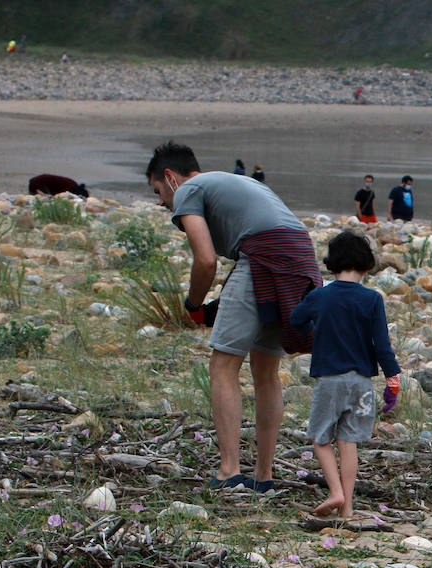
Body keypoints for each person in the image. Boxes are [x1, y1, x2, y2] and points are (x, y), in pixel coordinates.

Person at [145, 140, 321, 492]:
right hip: (301, 257)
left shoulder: (189, 190)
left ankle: (229, 471)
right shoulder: (241, 182)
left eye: (158, 191)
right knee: (266, 370)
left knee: (223, 364)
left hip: (263, 254)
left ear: (170, 177)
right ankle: (264, 476)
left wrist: (193, 306)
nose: (162, 202)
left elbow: (206, 260)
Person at [289, 231, 400, 517]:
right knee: (348, 442)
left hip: (330, 379)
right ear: (366, 266)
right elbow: (382, 345)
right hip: (361, 381)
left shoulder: (320, 296)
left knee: (320, 438)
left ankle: (336, 492)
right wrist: (393, 380)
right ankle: (347, 509)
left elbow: (296, 319)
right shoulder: (372, 299)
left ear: (332, 264)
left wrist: (314, 332)